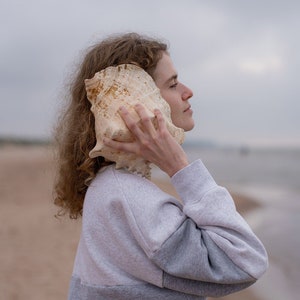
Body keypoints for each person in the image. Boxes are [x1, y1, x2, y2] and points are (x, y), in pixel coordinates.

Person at [53, 32, 268, 300]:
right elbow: (245, 261)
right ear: (133, 100)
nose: (188, 92)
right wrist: (179, 167)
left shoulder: (110, 187)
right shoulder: (127, 198)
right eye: (173, 84)